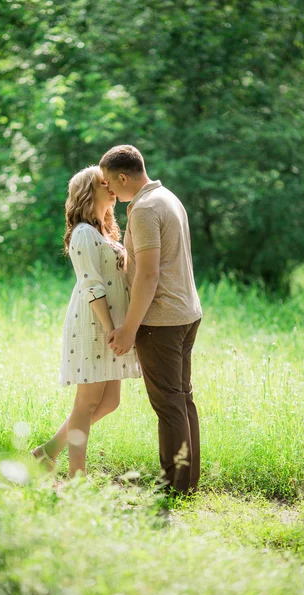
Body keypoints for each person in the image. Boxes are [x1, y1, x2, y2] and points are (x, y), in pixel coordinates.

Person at [100, 145, 203, 495]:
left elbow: (148, 275)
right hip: (187, 313)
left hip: (161, 321)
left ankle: (175, 485)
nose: (111, 193)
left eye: (112, 185)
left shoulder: (143, 210)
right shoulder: (168, 198)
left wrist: (129, 327)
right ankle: (187, 480)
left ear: (124, 177)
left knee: (168, 404)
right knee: (181, 397)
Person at [31, 165, 141, 477]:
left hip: (112, 324)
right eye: (103, 183)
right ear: (88, 192)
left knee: (110, 401)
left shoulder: (103, 232)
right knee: (87, 404)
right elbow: (92, 285)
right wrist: (112, 330)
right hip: (93, 324)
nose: (111, 187)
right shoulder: (82, 233)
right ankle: (76, 479)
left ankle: (47, 452)